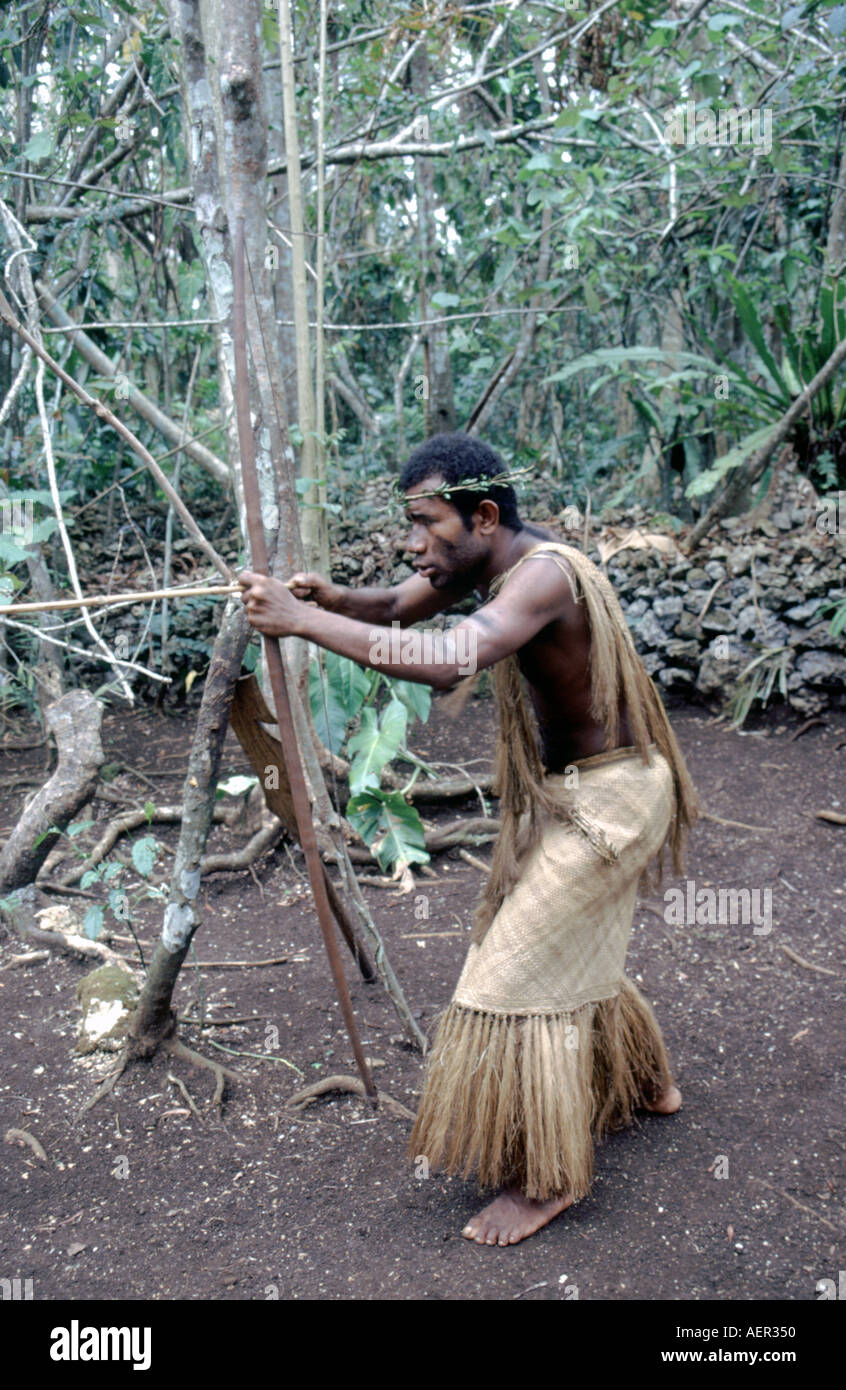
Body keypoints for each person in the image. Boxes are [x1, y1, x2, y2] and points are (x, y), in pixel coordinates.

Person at [238, 432, 698, 1247]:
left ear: (484, 516)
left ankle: (549, 1175)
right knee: (571, 943)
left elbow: (451, 661)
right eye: (409, 525)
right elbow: (391, 609)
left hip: (616, 801)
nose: (413, 544)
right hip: (578, 796)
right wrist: (331, 596)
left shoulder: (545, 576)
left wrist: (302, 621)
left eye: (427, 524)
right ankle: (643, 1083)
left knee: (510, 970)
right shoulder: (485, 564)